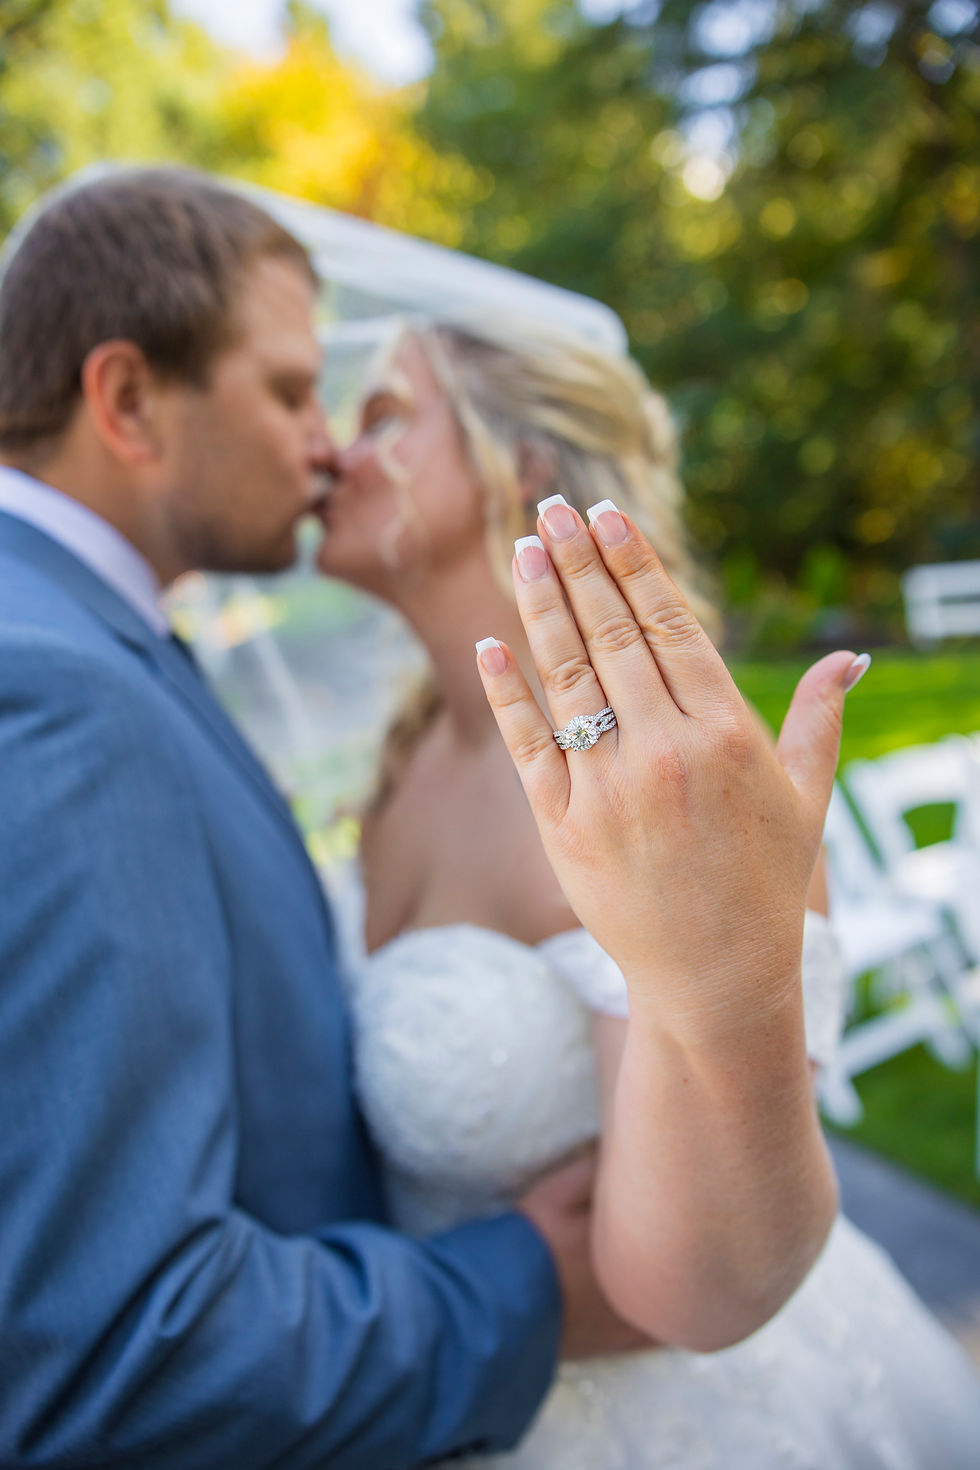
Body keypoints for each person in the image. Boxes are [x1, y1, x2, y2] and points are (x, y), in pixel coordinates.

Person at [0, 167, 654, 1470]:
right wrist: (522, 1277)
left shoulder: (85, 640)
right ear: (127, 399)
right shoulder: (61, 687)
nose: (326, 441)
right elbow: (119, 1339)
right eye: (292, 389)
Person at [316, 314, 980, 1467]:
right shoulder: (400, 762)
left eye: (382, 418)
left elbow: (703, 1290)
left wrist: (721, 977)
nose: (332, 453)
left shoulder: (661, 779)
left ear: (515, 461)